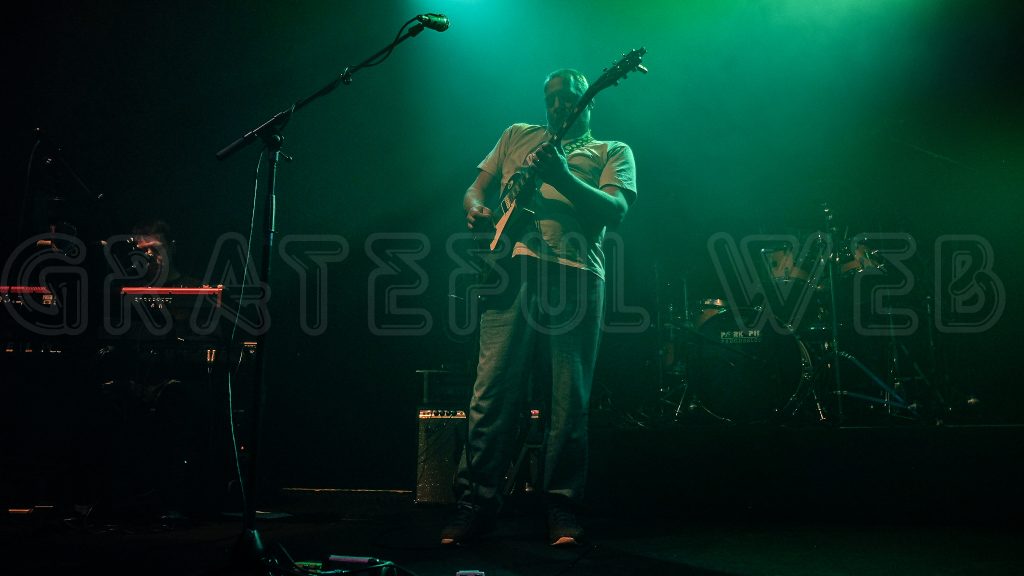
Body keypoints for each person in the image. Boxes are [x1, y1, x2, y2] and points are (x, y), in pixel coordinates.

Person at [442, 68, 637, 546]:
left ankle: (561, 508)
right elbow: (476, 188)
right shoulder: (516, 135)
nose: (558, 104)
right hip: (508, 272)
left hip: (574, 277)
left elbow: (615, 212)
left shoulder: (611, 150)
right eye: (551, 97)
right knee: (491, 394)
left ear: (589, 100)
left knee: (567, 400)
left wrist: (562, 176)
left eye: (569, 96)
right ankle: (475, 505)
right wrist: (474, 207)